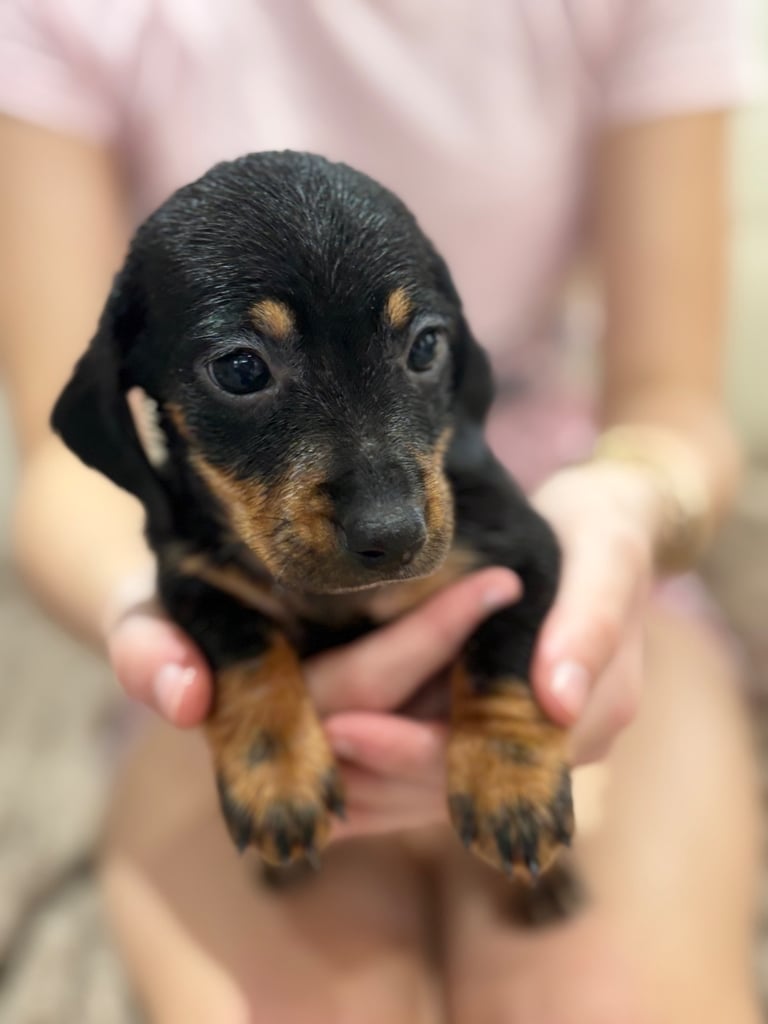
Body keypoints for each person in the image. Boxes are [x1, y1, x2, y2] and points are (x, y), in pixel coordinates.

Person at [0, 2, 762, 1021]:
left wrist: (624, 504)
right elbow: (60, 474)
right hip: (217, 617)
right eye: (243, 370)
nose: (385, 521)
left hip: (571, 520)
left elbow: (671, 400)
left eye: (421, 349)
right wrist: (178, 640)